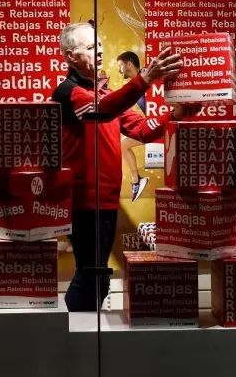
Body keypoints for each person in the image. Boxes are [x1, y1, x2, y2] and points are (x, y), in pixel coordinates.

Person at [52, 22, 199, 312]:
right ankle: (74, 334)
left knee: (94, 273)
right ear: (71, 56)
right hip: (84, 202)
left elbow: (144, 129)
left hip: (104, 199)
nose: (100, 50)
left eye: (100, 44)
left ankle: (78, 335)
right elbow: (102, 110)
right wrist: (145, 78)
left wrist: (175, 115)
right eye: (90, 47)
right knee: (92, 273)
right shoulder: (69, 93)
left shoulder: (106, 94)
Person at [116, 51, 151, 202]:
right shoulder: (134, 85)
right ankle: (137, 180)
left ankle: (137, 181)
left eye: (120, 66)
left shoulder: (146, 76)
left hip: (162, 125)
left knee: (123, 144)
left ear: (128, 64)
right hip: (153, 124)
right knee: (123, 144)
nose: (119, 70)